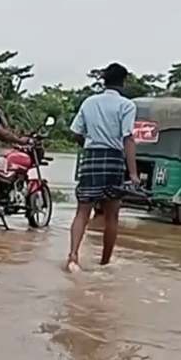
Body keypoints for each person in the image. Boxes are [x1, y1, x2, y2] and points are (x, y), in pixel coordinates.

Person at [66, 63, 140, 271]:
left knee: (82, 211)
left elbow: (75, 131)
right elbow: (128, 138)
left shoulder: (89, 102)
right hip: (114, 160)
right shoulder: (127, 105)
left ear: (104, 80)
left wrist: (88, 144)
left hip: (91, 157)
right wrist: (133, 173)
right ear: (123, 82)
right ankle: (105, 262)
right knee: (111, 215)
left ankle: (73, 256)